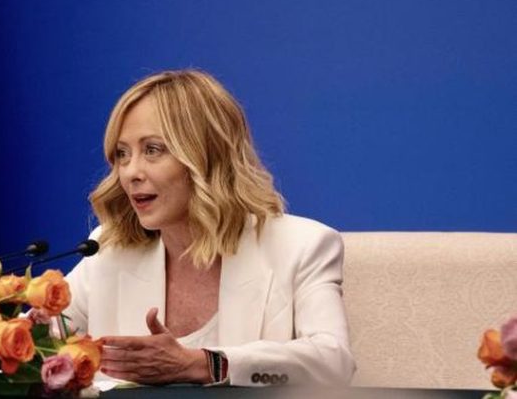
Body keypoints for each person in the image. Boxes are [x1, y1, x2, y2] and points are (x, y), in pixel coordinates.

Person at [64, 70, 355, 386]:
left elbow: (333, 363)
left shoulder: (302, 247)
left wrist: (207, 364)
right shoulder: (108, 251)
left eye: (152, 150)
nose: (130, 172)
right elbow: (32, 350)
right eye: (122, 154)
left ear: (206, 155)